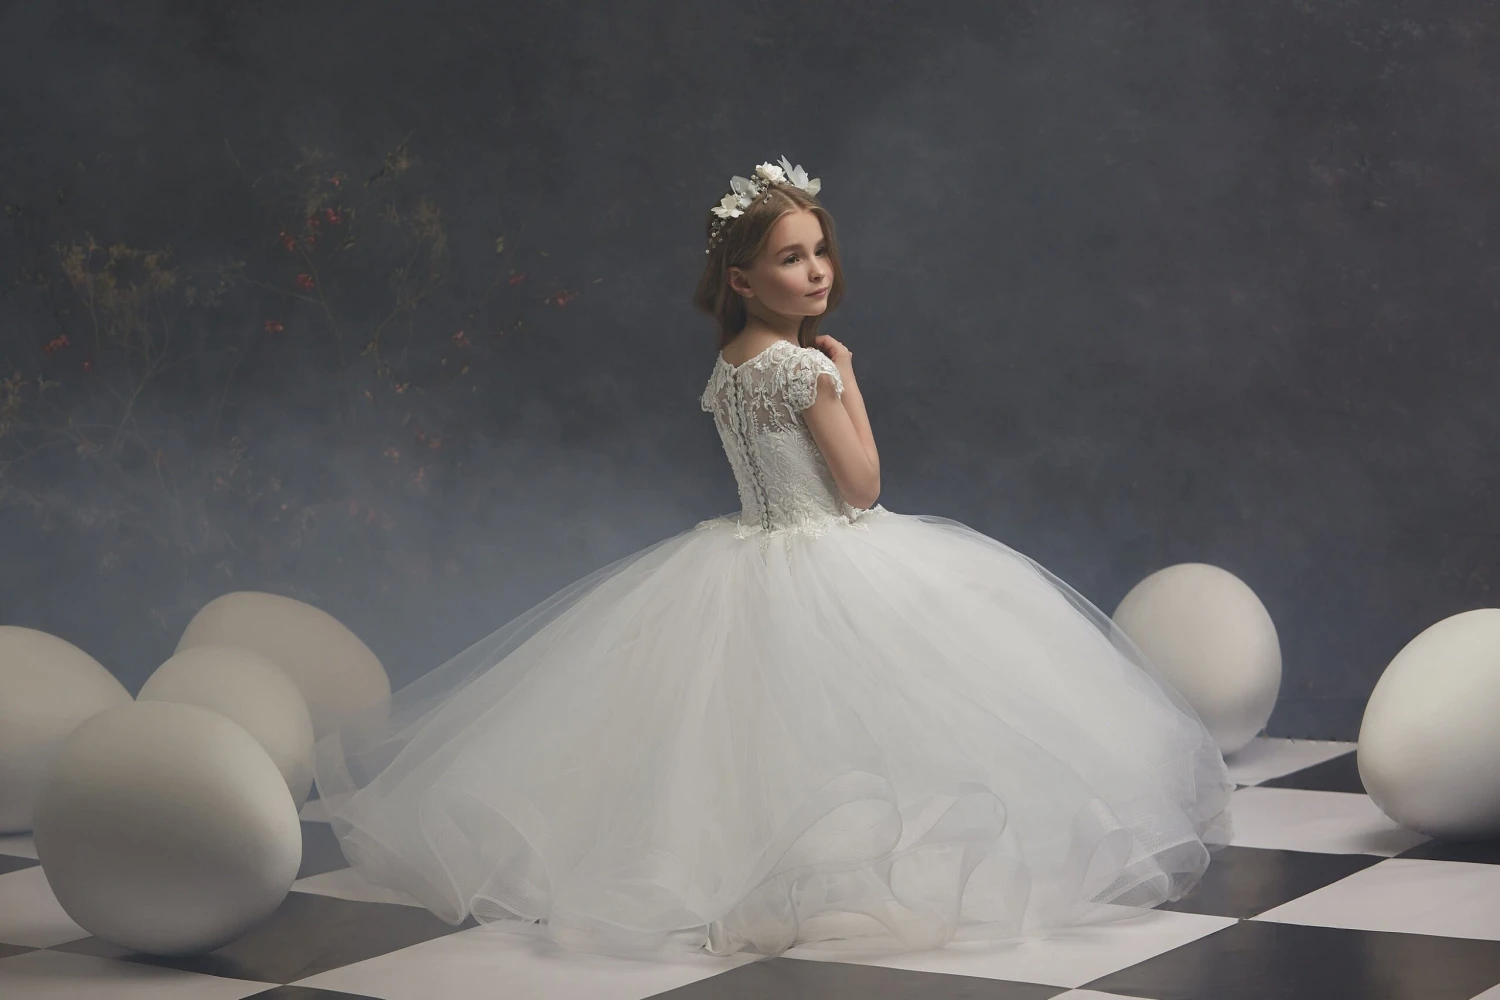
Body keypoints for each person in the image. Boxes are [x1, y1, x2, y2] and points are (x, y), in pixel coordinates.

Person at [311, 155, 1233, 962]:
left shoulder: (730, 368)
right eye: (792, 258)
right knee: (866, 723)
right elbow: (862, 487)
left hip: (744, 556)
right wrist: (849, 379)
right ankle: (853, 877)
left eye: (820, 250)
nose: (817, 269)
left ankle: (751, 877)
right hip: (828, 553)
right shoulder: (806, 368)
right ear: (742, 279)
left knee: (744, 739)